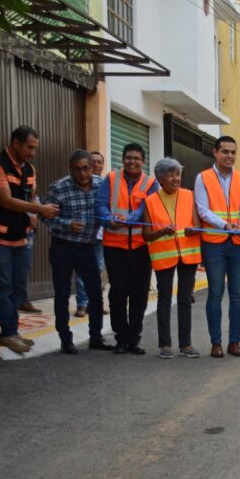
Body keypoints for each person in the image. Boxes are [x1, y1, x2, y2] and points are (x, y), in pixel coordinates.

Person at [0, 125, 59, 354]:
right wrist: (40, 209)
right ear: (15, 144)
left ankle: (13, 331)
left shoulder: (29, 169)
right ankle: (8, 333)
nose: (33, 152)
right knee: (4, 284)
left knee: (18, 287)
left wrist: (33, 215)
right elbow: (7, 201)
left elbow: (31, 197)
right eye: (29, 147)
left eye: (35, 148)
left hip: (20, 236)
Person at [44, 150, 115, 354]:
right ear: (70, 169)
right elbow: (45, 216)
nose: (82, 174)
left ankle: (96, 337)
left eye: (86, 168)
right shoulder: (58, 187)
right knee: (62, 294)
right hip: (62, 247)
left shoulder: (102, 185)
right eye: (77, 169)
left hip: (87, 247)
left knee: (95, 293)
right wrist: (66, 224)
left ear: (93, 168)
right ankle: (65, 339)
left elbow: (109, 208)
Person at [97, 142, 158, 355]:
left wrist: (129, 219)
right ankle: (121, 338)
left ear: (143, 161)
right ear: (123, 159)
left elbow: (146, 208)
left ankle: (134, 339)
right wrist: (108, 219)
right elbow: (101, 204)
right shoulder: (111, 179)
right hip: (114, 247)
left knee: (139, 294)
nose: (132, 161)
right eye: (128, 158)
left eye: (136, 158)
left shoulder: (151, 183)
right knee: (118, 293)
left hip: (141, 247)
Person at [195, 135, 240, 358]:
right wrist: (225, 225)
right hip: (214, 244)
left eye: (233, 152)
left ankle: (234, 342)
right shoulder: (203, 177)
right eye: (225, 151)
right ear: (215, 152)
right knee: (215, 293)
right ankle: (216, 342)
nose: (230, 156)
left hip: (238, 244)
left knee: (237, 295)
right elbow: (203, 210)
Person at [142, 158, 202, 359]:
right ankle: (165, 345)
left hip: (188, 256)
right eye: (170, 175)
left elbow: (196, 224)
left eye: (177, 174)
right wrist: (162, 231)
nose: (175, 179)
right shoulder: (150, 201)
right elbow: (146, 235)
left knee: (185, 299)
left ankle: (186, 344)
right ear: (160, 179)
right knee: (164, 299)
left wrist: (193, 229)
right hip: (164, 256)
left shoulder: (188, 195)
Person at [75, 150, 108, 319]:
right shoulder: (78, 184)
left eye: (99, 162)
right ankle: (82, 304)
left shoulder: (106, 184)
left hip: (100, 236)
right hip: (82, 235)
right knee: (82, 270)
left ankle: (94, 304)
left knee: (98, 270)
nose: (96, 165)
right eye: (93, 162)